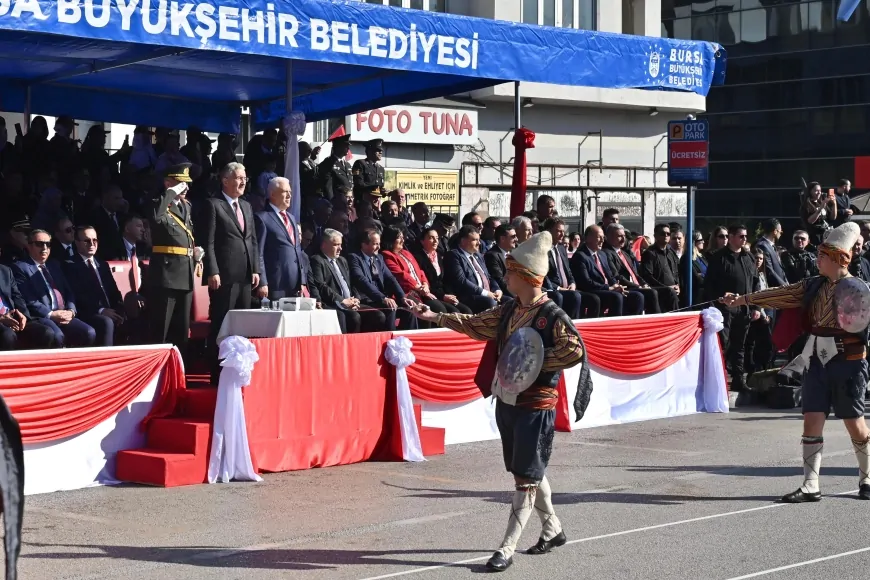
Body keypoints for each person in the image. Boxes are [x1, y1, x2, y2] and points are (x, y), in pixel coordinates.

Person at [410, 231, 586, 572]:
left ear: (524, 276)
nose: (503, 277)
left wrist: (533, 362)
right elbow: (476, 324)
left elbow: (574, 349)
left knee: (525, 475)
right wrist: (436, 317)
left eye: (509, 272)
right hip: (507, 400)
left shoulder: (551, 314)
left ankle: (506, 547)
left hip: (536, 404)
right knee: (528, 469)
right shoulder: (508, 310)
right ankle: (553, 529)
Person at [722, 222, 870, 502]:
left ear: (839, 258)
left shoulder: (859, 288)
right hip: (816, 361)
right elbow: (781, 294)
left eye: (823, 256)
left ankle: (867, 478)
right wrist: (744, 299)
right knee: (811, 421)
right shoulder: (812, 285)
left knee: (855, 423)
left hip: (849, 362)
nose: (818, 260)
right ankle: (811, 484)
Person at [202, 162, 260, 382]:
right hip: (224, 276)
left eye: (244, 177)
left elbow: (252, 240)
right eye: (238, 177)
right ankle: (217, 376)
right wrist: (212, 271)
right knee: (221, 326)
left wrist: (255, 268)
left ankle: (238, 374)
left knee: (241, 326)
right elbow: (208, 241)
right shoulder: (214, 205)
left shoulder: (246, 206)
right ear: (224, 180)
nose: (243, 181)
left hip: (245, 276)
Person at [12, 229, 96, 347]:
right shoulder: (20, 268)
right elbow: (28, 299)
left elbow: (68, 292)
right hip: (42, 316)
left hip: (64, 314)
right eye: (40, 244)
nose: (45, 248)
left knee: (88, 332)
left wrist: (71, 311)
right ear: (29, 246)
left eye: (48, 244)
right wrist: (51, 314)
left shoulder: (54, 265)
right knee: (57, 336)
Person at [147, 163, 198, 355]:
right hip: (166, 276)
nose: (185, 188)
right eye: (180, 183)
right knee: (161, 330)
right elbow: (157, 218)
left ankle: (178, 372)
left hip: (185, 273)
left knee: (181, 332)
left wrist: (194, 251)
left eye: (186, 184)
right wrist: (169, 192)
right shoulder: (158, 203)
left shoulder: (187, 206)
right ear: (168, 182)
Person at [704, 224, 760, 391]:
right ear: (732, 237)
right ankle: (718, 379)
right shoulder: (719, 257)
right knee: (723, 343)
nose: (744, 240)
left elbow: (755, 282)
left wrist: (756, 306)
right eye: (741, 236)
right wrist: (720, 297)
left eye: (745, 236)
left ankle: (738, 379)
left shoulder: (748, 257)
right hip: (725, 308)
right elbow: (709, 285)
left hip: (744, 307)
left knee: (740, 345)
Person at [254, 177, 309, 301]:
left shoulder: (292, 218)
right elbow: (258, 253)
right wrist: (262, 282)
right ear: (272, 194)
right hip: (275, 285)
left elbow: (297, 250)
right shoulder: (262, 218)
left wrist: (302, 279)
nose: (289, 195)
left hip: (294, 285)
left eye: (290, 192)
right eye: (285, 192)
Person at [443, 225, 503, 314]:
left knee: (510, 301)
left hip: (488, 294)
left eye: (479, 239)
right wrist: (486, 293)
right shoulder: (454, 255)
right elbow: (461, 281)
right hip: (468, 296)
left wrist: (497, 289)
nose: (479, 243)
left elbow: (488, 276)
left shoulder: (477, 255)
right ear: (463, 241)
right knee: (490, 302)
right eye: (475, 240)